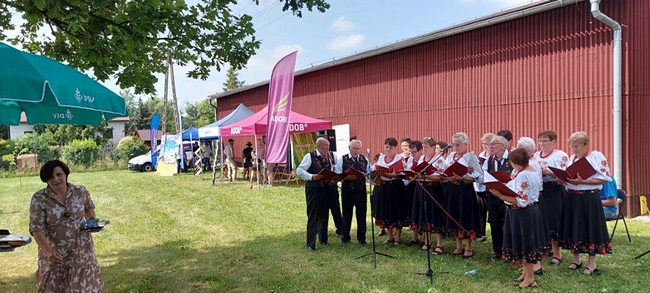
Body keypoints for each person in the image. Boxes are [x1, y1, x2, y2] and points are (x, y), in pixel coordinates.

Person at [29, 160, 104, 292]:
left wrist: (93, 224)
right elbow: (36, 229)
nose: (56, 179)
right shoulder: (39, 199)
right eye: (51, 177)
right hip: (56, 256)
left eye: (59, 174)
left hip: (82, 254)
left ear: (66, 174)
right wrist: (48, 252)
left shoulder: (80, 191)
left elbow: (88, 210)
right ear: (46, 180)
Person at [489, 148, 549, 289]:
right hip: (525, 212)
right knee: (523, 242)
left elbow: (521, 200)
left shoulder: (524, 175)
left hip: (523, 213)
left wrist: (500, 195)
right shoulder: (530, 171)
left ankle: (530, 278)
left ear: (515, 162)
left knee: (526, 244)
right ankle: (524, 273)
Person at [558, 131, 612, 275]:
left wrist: (583, 182)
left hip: (589, 198)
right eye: (572, 146)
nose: (574, 150)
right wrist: (563, 179)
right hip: (572, 197)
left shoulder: (596, 156)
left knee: (590, 228)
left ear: (586, 145)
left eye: (577, 147)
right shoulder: (572, 158)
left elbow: (604, 179)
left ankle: (592, 263)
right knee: (573, 226)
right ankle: (576, 259)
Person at [296, 137, 340, 251]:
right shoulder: (309, 156)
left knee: (324, 214)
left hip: (326, 188)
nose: (328, 148)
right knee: (313, 215)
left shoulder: (330, 156)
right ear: (319, 146)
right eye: (326, 145)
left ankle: (323, 239)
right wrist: (312, 177)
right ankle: (311, 243)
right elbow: (299, 170)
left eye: (329, 146)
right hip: (314, 189)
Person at [443, 132, 482, 258]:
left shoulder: (471, 157)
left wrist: (462, 177)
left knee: (465, 217)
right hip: (452, 190)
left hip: (465, 191)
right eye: (454, 144)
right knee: (453, 214)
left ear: (466, 144)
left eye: (458, 145)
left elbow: (478, 177)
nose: (456, 147)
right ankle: (458, 245)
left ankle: (468, 247)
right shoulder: (451, 156)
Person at [534, 130, 569, 265]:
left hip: (554, 189)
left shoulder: (560, 155)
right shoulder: (536, 155)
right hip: (541, 190)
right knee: (543, 219)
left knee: (554, 220)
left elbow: (565, 174)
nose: (542, 143)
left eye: (545, 141)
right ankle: (545, 247)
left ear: (553, 142)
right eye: (540, 141)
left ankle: (557, 252)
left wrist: (549, 171)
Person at [411, 136, 447, 254]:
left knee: (434, 215)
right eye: (423, 147)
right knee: (424, 213)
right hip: (421, 188)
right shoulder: (422, 158)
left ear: (433, 147)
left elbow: (441, 176)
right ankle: (427, 241)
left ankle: (439, 244)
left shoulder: (439, 159)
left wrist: (426, 176)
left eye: (427, 147)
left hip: (434, 189)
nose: (424, 149)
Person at [482, 134, 513, 260]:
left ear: (503, 145)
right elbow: (483, 174)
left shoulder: (511, 158)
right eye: (490, 144)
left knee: (508, 224)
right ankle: (498, 252)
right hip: (493, 195)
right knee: (495, 223)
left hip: (508, 196)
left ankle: (510, 251)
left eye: (494, 144)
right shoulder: (490, 159)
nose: (491, 146)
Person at [335, 139, 371, 245]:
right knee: (347, 214)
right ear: (349, 148)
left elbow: (369, 172)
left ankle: (362, 238)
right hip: (347, 191)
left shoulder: (364, 159)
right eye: (353, 148)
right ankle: (345, 237)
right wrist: (345, 177)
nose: (355, 151)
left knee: (361, 215)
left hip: (361, 191)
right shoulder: (343, 159)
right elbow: (337, 174)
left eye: (357, 149)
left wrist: (367, 175)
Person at [373, 137, 407, 245]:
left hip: (396, 187)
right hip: (384, 186)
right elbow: (374, 168)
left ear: (395, 148)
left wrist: (395, 174)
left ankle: (397, 238)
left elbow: (404, 172)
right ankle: (389, 237)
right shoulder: (381, 158)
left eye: (390, 147)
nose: (388, 149)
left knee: (396, 211)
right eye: (386, 147)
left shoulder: (399, 158)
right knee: (386, 211)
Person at [474, 132, 494, 243]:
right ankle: (480, 233)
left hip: (489, 186)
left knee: (490, 211)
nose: (484, 146)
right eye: (483, 144)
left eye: (486, 144)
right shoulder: (482, 154)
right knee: (480, 211)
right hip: (479, 186)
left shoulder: (493, 156)